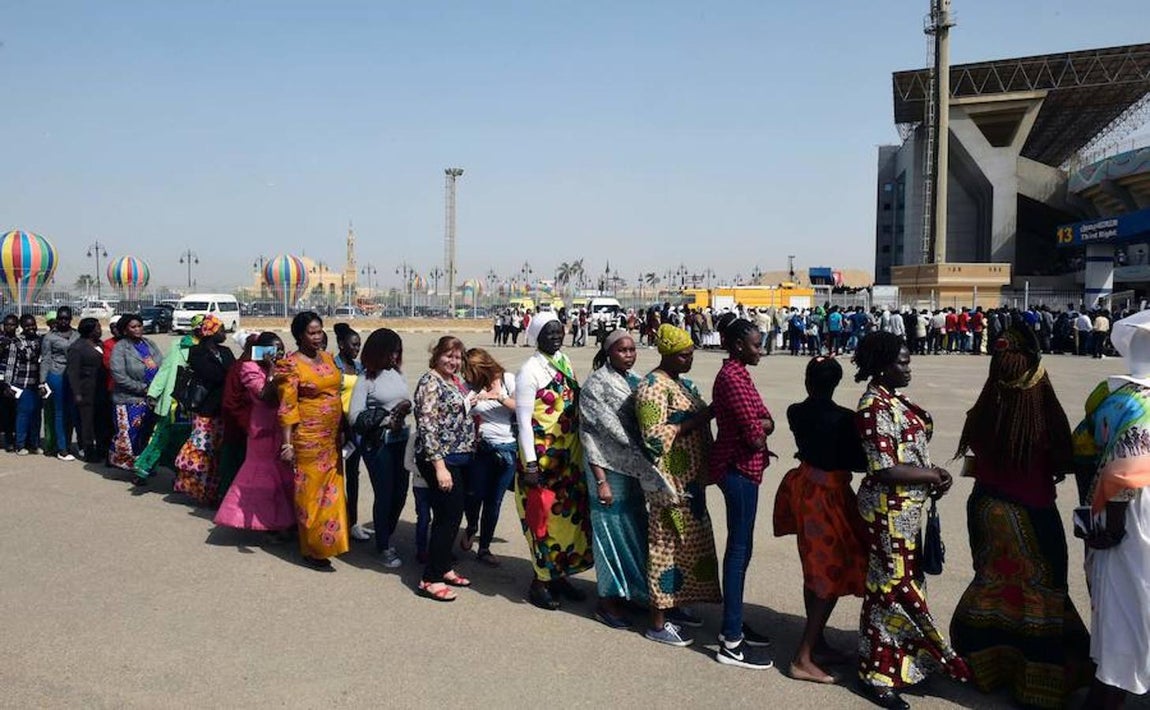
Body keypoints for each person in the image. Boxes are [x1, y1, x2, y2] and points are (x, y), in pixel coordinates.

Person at [949, 324, 1092, 708]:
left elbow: (974, 463)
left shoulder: (982, 409)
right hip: (1031, 512)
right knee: (1040, 593)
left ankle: (985, 667)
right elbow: (1066, 460)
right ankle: (1035, 682)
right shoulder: (1043, 415)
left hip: (985, 510)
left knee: (993, 584)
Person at [853, 332, 970, 709]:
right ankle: (878, 672)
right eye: (902, 362)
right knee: (891, 590)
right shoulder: (873, 406)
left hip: (904, 512)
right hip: (886, 512)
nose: (908, 368)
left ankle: (898, 663)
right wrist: (932, 475)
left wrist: (931, 473)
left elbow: (907, 456)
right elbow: (884, 468)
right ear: (882, 365)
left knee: (897, 587)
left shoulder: (894, 399)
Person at [774, 356, 868, 684]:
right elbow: (858, 463)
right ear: (836, 384)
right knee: (829, 572)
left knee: (815, 569)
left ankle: (819, 642)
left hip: (804, 487)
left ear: (807, 381)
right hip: (829, 495)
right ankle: (802, 656)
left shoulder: (795, 411)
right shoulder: (845, 419)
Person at [1073, 310, 1150, 708]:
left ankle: (1112, 686)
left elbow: (1085, 452)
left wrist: (1094, 512)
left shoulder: (1110, 395)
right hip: (1137, 510)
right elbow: (1125, 470)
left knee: (1120, 601)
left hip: (1118, 509)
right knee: (1138, 598)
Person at [635, 324, 722, 646]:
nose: (690, 360)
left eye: (691, 354)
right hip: (669, 485)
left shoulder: (680, 383)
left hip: (690, 484)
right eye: (684, 355)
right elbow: (654, 438)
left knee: (688, 546)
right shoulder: (653, 387)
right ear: (668, 354)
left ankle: (677, 605)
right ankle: (657, 621)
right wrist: (703, 417)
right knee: (666, 549)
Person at [580, 330, 669, 628]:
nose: (629, 355)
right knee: (610, 537)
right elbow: (590, 435)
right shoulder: (596, 385)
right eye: (622, 350)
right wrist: (601, 481)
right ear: (609, 353)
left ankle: (632, 594)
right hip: (606, 471)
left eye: (632, 350)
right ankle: (607, 602)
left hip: (632, 469)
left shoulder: (635, 381)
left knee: (633, 532)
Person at [514, 311, 593, 611]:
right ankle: (540, 582)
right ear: (536, 336)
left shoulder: (564, 361)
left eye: (559, 331)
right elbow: (523, 422)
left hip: (568, 460)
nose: (556, 336)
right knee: (543, 521)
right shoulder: (529, 371)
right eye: (549, 332)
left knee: (567, 521)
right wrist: (530, 464)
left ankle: (559, 574)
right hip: (542, 460)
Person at [710, 316, 775, 667]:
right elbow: (755, 434)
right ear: (738, 346)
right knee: (738, 551)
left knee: (743, 549)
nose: (760, 349)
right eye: (755, 344)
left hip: (746, 469)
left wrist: (763, 424)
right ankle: (731, 643)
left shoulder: (740, 374)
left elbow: (766, 418)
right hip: (737, 470)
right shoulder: (732, 378)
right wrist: (761, 426)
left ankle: (732, 624)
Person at [278, 311, 348, 570]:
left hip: (331, 439)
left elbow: (337, 395)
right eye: (312, 332)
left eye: (320, 332)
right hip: (307, 440)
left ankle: (328, 541)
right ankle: (311, 548)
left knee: (331, 491)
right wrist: (287, 444)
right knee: (310, 494)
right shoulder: (291, 365)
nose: (318, 337)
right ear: (299, 335)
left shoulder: (329, 358)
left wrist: (343, 428)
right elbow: (287, 406)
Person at [213, 332, 296, 534]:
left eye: (281, 350)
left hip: (283, 428)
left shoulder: (286, 365)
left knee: (284, 477)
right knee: (264, 481)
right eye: (273, 351)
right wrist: (272, 370)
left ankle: (285, 520)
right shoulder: (248, 368)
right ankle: (266, 523)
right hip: (262, 431)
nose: (277, 355)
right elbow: (265, 396)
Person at [412, 335, 475, 601]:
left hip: (458, 457)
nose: (453, 361)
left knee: (450, 516)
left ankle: (443, 566)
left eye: (458, 356)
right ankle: (430, 578)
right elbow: (427, 425)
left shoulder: (454, 381)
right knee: (448, 517)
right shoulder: (430, 382)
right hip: (440, 458)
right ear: (437, 355)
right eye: (448, 355)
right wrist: (439, 467)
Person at [348, 328, 412, 569]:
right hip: (379, 444)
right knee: (384, 493)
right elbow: (355, 417)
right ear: (378, 352)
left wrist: (406, 408)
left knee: (400, 493)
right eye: (391, 352)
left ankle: (385, 532)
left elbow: (403, 401)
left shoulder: (397, 373)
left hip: (401, 440)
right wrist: (387, 419)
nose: (395, 356)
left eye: (398, 351)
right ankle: (383, 546)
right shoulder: (366, 380)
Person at [460, 347, 517, 566]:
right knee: (474, 495)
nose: (468, 376)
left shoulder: (507, 379)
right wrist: (470, 403)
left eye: (472, 371)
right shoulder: (469, 387)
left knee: (494, 501)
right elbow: (461, 412)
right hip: (481, 448)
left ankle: (484, 547)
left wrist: (499, 397)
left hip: (506, 449)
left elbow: (521, 408)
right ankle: (472, 525)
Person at [174, 315, 234, 505]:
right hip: (205, 409)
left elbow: (231, 374)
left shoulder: (225, 351)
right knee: (202, 451)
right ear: (211, 332)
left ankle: (213, 492)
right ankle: (200, 490)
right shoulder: (196, 352)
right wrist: (227, 374)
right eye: (221, 330)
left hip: (222, 409)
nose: (224, 333)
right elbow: (214, 375)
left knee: (216, 454)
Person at [135, 315, 202, 482]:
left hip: (193, 403)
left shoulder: (208, 348)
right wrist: (153, 392)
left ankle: (178, 475)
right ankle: (143, 470)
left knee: (182, 441)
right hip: (174, 401)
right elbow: (165, 370)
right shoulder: (178, 345)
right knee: (160, 437)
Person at [108, 314, 163, 473]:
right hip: (129, 398)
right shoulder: (121, 347)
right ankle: (132, 466)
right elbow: (118, 375)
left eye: (139, 325)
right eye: (133, 327)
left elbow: (162, 364)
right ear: (125, 330)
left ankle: (144, 465)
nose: (138, 329)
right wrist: (141, 388)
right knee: (129, 435)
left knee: (147, 434)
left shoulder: (149, 344)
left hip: (152, 398)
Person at [332, 324, 368, 541]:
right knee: (335, 476)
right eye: (353, 345)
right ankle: (336, 519)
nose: (357, 349)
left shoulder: (360, 367)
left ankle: (352, 521)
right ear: (341, 345)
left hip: (355, 431)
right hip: (336, 429)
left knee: (353, 476)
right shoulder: (332, 367)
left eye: (359, 345)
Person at [67, 317, 111, 463]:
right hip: (86, 390)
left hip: (101, 389)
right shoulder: (77, 347)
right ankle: (88, 450)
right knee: (87, 422)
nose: (100, 330)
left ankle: (102, 449)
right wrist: (77, 393)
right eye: (97, 328)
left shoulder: (100, 344)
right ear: (89, 330)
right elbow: (73, 372)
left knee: (101, 421)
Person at [40, 305, 79, 460]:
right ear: (57, 318)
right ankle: (61, 448)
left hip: (74, 376)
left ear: (71, 318)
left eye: (66, 318)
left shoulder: (77, 335)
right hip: (57, 375)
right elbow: (46, 359)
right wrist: (42, 382)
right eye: (61, 318)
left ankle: (69, 443)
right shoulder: (50, 337)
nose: (63, 321)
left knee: (71, 412)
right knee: (59, 412)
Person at [7, 314, 45, 455]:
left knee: (36, 415)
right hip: (22, 383)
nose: (31, 328)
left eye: (32, 324)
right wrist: (8, 384)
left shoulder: (40, 340)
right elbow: (11, 365)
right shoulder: (16, 342)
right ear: (22, 327)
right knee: (24, 414)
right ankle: (20, 444)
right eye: (27, 325)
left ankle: (34, 444)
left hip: (37, 384)